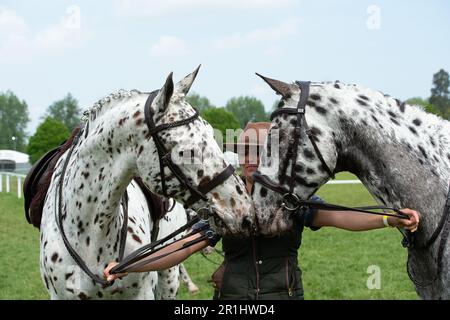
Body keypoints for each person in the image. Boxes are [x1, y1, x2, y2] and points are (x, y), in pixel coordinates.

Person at [104, 122, 419, 300]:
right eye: (246, 151)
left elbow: (340, 216)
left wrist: (389, 218)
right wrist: (127, 266)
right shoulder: (225, 204)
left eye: (261, 151)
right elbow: (183, 246)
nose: (252, 158)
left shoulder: (291, 198)